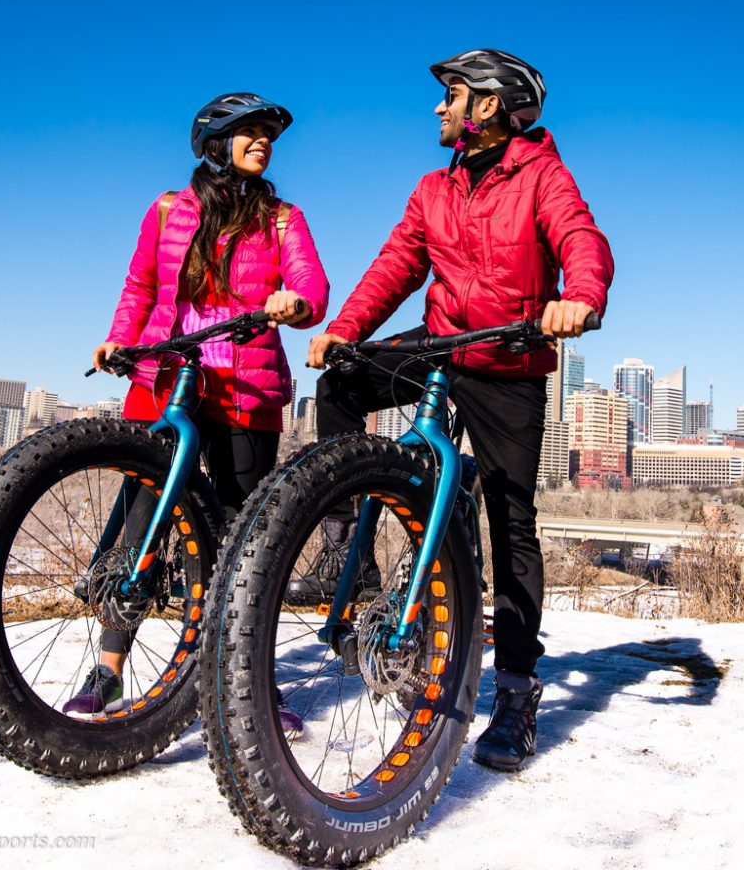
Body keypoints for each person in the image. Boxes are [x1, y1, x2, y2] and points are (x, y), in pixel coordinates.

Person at [307, 49, 613, 771]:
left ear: (487, 106)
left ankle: (514, 692)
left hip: (508, 358)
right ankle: (341, 557)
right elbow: (396, 264)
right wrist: (346, 329)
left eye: (451, 96)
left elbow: (581, 238)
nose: (438, 109)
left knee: (510, 524)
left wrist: (581, 300)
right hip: (442, 341)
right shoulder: (431, 189)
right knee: (343, 383)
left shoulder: (541, 174)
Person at [63, 92, 329, 717]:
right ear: (215, 142)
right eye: (250, 132)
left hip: (247, 382)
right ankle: (107, 670)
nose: (264, 142)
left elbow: (311, 281)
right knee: (142, 524)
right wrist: (120, 338)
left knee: (247, 536)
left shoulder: (285, 218)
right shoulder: (166, 210)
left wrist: (296, 303)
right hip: (167, 373)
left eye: (269, 134)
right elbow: (140, 285)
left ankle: (252, 681)